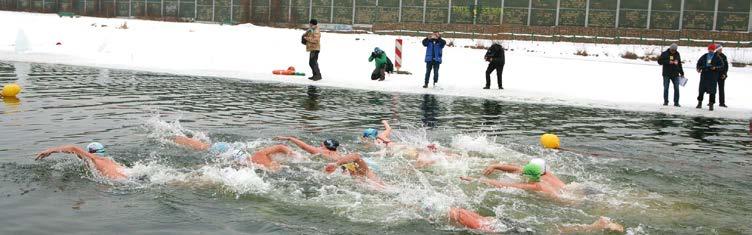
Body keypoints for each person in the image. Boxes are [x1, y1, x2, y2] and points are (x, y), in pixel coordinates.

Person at [171, 136, 298, 171]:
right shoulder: (260, 157)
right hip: (223, 149)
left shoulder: (261, 163)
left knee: (203, 146)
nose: (278, 166)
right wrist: (289, 152)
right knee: (202, 146)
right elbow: (280, 146)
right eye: (277, 166)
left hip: (231, 150)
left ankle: (179, 138)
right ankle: (174, 138)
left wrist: (289, 152)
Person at [447, 207, 623, 233]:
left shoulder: (459, 215)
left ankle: (594, 227)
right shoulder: (459, 212)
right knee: (552, 229)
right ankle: (593, 227)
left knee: (550, 231)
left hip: (502, 227)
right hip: (502, 223)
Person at [460, 158, 565, 199]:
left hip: (564, 201)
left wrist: (475, 179)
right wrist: (495, 166)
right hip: (569, 194)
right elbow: (517, 169)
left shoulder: (534, 186)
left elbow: (504, 185)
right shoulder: (546, 174)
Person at [35, 142, 127, 180]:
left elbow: (72, 148)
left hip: (118, 181)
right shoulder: (109, 160)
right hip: (130, 173)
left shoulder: (94, 159)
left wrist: (50, 150)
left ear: (90, 152)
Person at [695, 43, 724, 111]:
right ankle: (699, 103)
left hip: (713, 76)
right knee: (701, 90)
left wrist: (715, 68)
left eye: (712, 49)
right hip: (704, 75)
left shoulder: (717, 57)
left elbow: (722, 66)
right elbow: (699, 63)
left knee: (712, 91)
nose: (710, 50)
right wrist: (698, 68)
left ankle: (711, 104)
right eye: (709, 49)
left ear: (714, 50)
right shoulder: (704, 56)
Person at [276, 136, 342, 161]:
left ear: (326, 147)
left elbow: (304, 147)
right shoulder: (338, 153)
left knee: (295, 155)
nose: (320, 147)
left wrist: (289, 138)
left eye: (322, 146)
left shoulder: (323, 152)